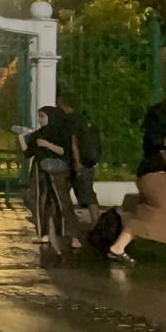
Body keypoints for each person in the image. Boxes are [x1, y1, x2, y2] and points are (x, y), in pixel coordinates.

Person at [107, 101, 166, 267]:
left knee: (151, 214)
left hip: (155, 178)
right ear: (164, 116)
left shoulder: (164, 135)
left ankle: (117, 248)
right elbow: (157, 146)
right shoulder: (157, 135)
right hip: (153, 178)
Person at [20, 106, 82, 249]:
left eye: (43, 117)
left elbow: (63, 151)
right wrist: (22, 138)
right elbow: (28, 153)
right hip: (40, 170)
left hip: (58, 171)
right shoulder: (38, 134)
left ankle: (72, 235)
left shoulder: (61, 132)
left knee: (62, 202)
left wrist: (48, 145)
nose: (40, 120)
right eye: (39, 117)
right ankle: (43, 234)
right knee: (40, 202)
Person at [58, 97, 101, 223]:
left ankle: (69, 220)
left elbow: (73, 142)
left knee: (63, 192)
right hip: (89, 163)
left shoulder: (70, 120)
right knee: (88, 193)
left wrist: (77, 162)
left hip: (75, 163)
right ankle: (95, 222)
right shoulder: (85, 120)